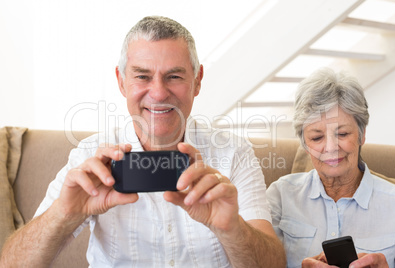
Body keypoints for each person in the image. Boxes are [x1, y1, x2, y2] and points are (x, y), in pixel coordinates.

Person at [0, 16, 286, 267]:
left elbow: (274, 264)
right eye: (142, 76)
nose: (159, 93)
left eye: (174, 76)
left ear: (197, 81)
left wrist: (231, 228)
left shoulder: (234, 154)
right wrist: (65, 213)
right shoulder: (89, 156)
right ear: (122, 81)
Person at [266, 67, 395, 268]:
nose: (330, 148)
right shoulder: (280, 195)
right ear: (304, 143)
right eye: (317, 137)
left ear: (362, 135)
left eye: (343, 134)